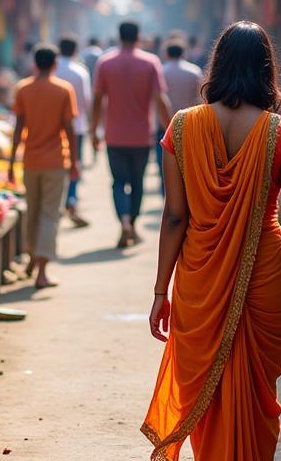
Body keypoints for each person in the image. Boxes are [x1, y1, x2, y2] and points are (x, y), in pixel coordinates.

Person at [142, 21, 281, 461]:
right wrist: (271, 238)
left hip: (197, 275)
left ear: (215, 66)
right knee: (256, 395)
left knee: (212, 396)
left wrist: (159, 292)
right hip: (264, 274)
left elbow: (175, 218)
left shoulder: (181, 126)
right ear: (268, 69)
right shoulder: (280, 133)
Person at [91, 21, 171, 248]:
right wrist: (171, 128)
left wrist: (93, 130)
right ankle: (133, 224)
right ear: (139, 36)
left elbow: (97, 100)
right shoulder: (150, 62)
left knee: (118, 182)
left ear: (119, 36)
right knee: (138, 182)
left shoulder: (105, 63)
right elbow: (160, 99)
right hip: (141, 136)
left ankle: (124, 222)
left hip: (114, 135)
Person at [9, 44, 79, 290]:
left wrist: (11, 162)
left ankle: (31, 257)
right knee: (50, 214)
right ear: (55, 64)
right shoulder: (63, 90)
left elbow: (18, 128)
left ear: (35, 64)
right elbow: (69, 129)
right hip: (56, 161)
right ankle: (41, 272)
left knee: (33, 210)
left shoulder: (23, 89)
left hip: (30, 161)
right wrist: (76, 161)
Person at [156, 39, 203, 194]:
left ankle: (167, 197)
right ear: (183, 53)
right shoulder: (194, 71)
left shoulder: (161, 71)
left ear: (166, 54)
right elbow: (200, 99)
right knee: (188, 166)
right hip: (190, 125)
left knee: (165, 167)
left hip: (164, 125)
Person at [56, 35, 91, 228]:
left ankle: (59, 202)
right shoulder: (80, 72)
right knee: (74, 164)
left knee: (56, 163)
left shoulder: (53, 69)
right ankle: (71, 199)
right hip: (76, 126)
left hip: (53, 126)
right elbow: (86, 100)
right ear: (75, 50)